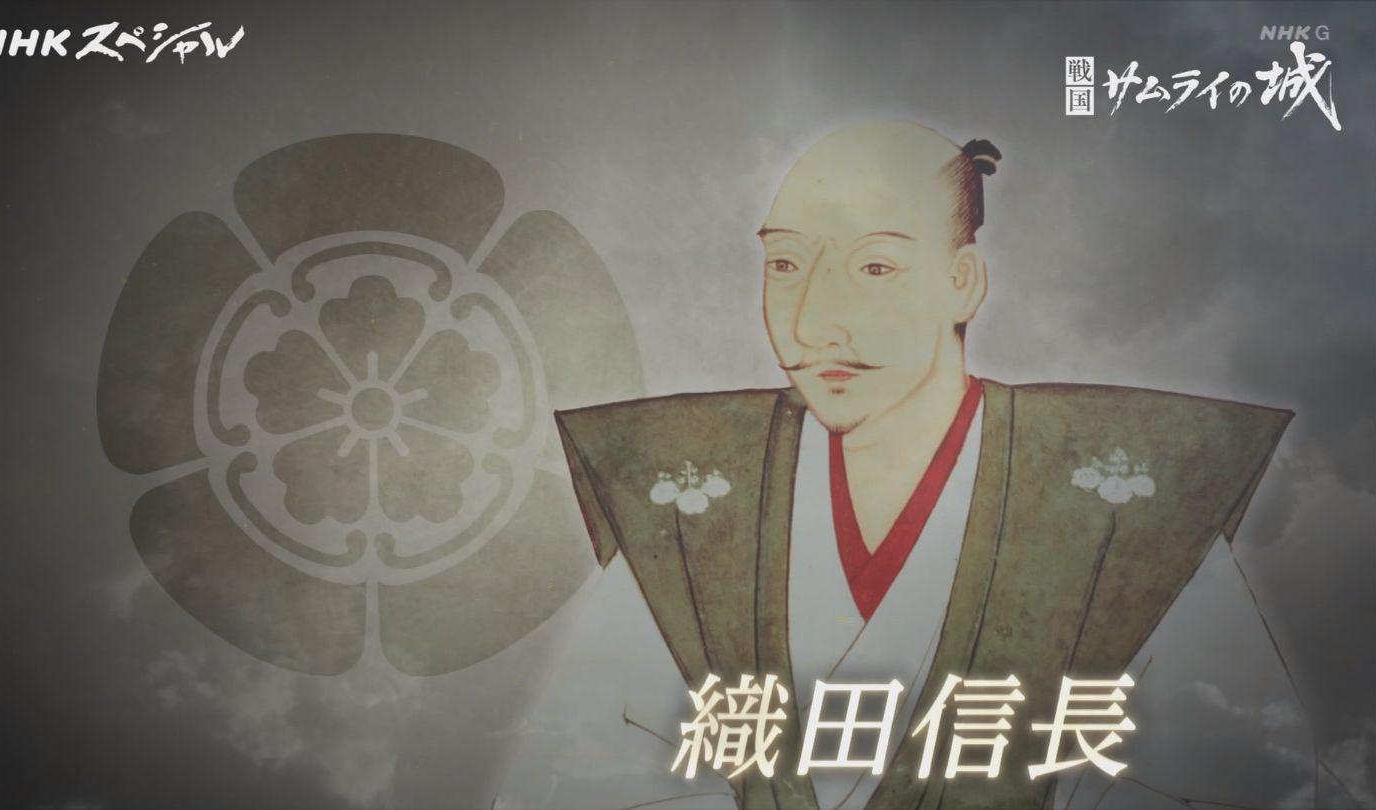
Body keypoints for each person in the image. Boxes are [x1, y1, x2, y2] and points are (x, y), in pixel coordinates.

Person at [493, 121, 1311, 809]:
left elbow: (1231, 774)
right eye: (785, 265)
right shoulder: (689, 486)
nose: (811, 324)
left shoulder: (1122, 495)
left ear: (963, 282)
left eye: (875, 268)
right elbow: (580, 770)